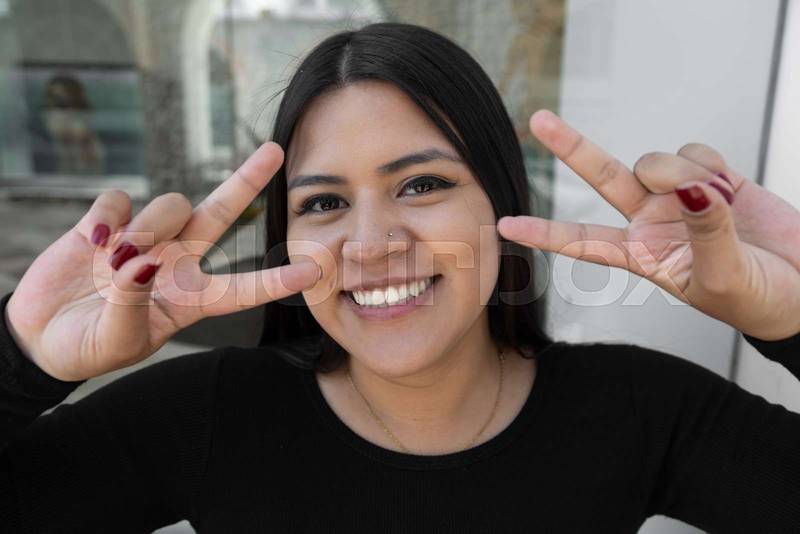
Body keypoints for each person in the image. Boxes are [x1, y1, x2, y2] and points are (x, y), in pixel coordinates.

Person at [3, 22, 800, 533]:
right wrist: (21, 359)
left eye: (422, 185)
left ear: (500, 201)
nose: (373, 242)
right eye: (323, 201)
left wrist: (793, 315)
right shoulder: (206, 416)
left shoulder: (638, 410)